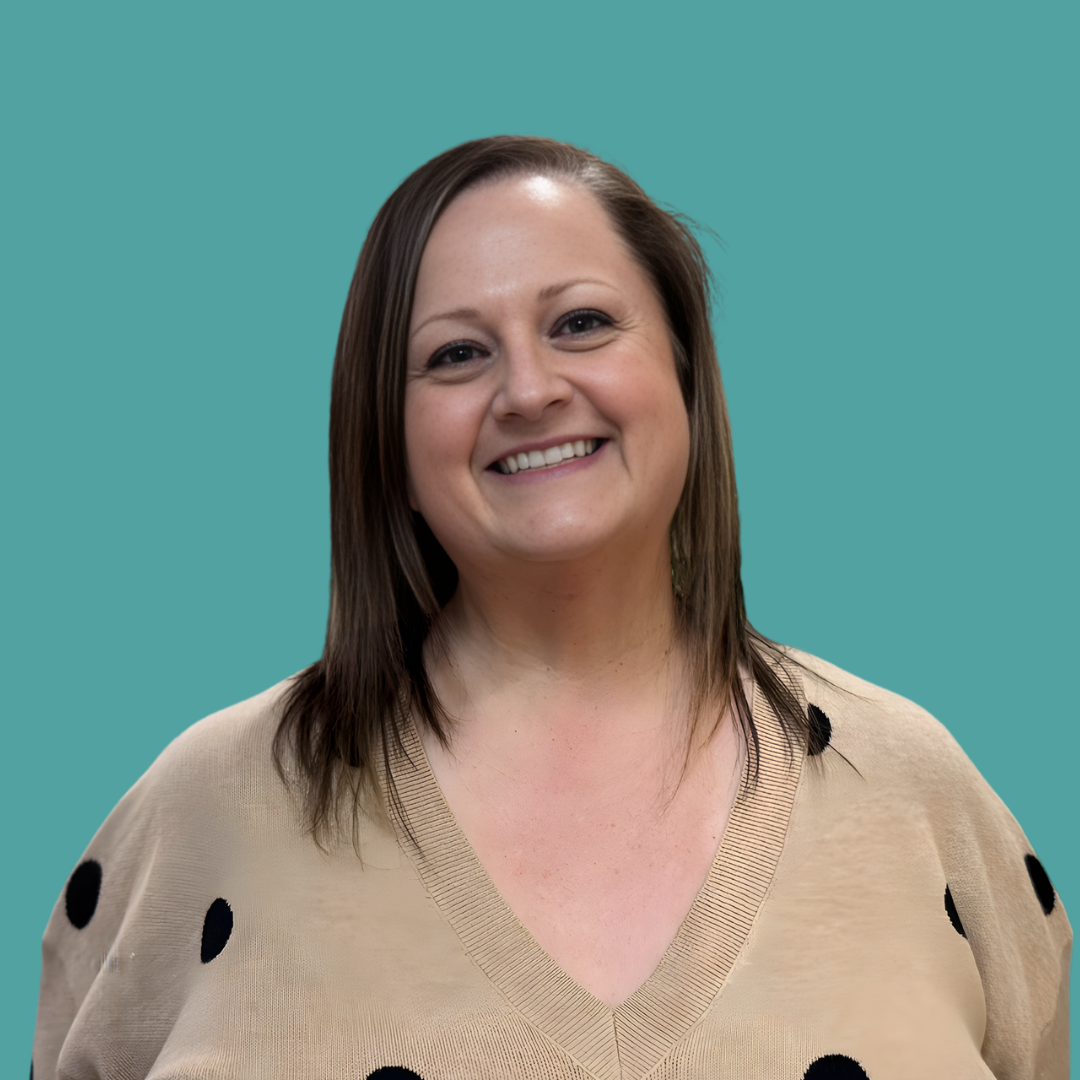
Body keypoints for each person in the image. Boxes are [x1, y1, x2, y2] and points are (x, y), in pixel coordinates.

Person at [32, 136, 1070, 1080]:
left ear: (685, 374)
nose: (528, 390)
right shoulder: (203, 807)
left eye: (580, 324)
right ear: (383, 438)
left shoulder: (913, 785)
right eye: (455, 354)